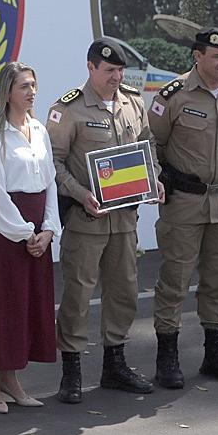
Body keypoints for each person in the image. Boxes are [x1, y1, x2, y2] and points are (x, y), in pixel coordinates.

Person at [45, 38, 160, 404]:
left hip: (124, 218)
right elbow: (54, 164)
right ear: (91, 67)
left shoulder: (132, 102)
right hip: (86, 219)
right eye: (109, 70)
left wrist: (153, 176)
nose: (116, 76)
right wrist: (80, 194)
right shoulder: (68, 110)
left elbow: (147, 144)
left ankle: (115, 364)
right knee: (78, 295)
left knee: (124, 291)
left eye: (120, 70)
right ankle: (72, 372)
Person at [148, 28, 218, 390]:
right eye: (217, 57)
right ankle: (167, 356)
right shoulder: (173, 96)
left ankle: (216, 354)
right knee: (174, 283)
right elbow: (153, 144)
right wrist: (164, 179)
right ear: (197, 56)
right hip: (184, 203)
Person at [0, 61, 61, 413]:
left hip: (37, 233)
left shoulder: (39, 130)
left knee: (26, 308)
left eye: (33, 86)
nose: (31, 93)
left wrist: (48, 230)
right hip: (5, 233)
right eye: (24, 86)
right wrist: (26, 232)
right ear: (7, 92)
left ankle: (12, 380)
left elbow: (50, 182)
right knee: (1, 307)